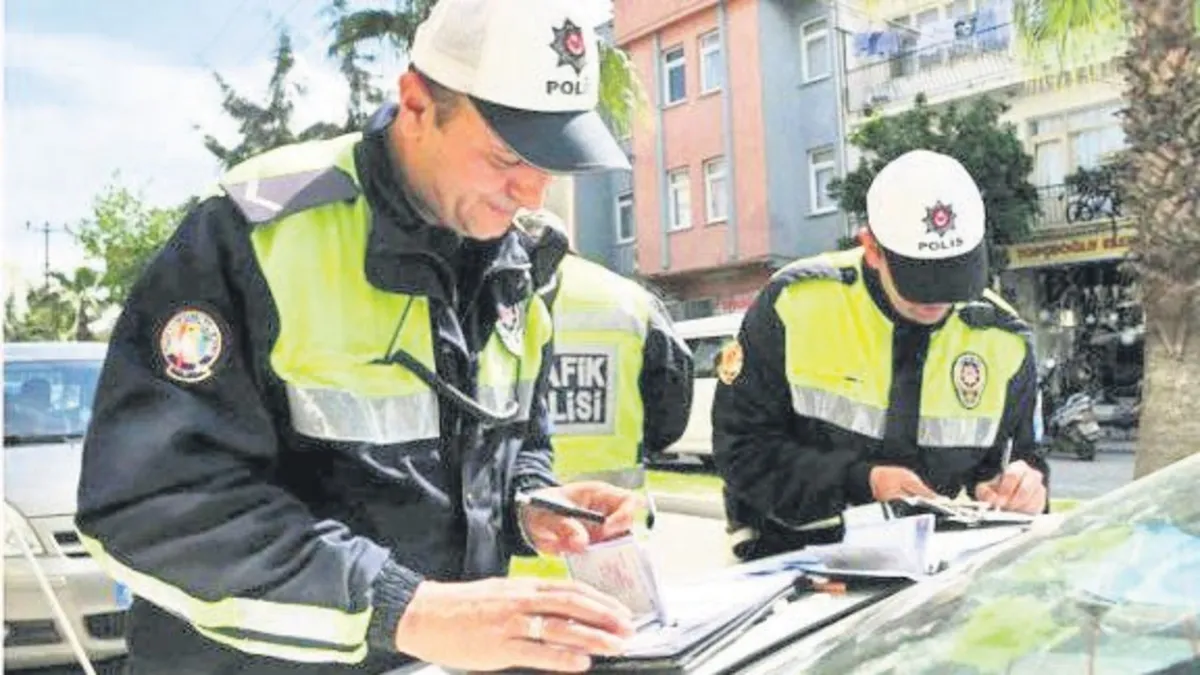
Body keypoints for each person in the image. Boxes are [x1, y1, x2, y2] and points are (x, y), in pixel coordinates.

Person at [73, 1, 647, 673]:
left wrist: (531, 502)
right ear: (416, 104)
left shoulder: (516, 259)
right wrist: (406, 609)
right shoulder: (257, 232)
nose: (532, 192)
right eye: (506, 155)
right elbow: (154, 502)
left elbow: (515, 442)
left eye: (551, 162)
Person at [712, 149, 1050, 562]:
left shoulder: (1003, 339)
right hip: (791, 559)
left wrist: (1022, 485)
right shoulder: (795, 305)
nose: (938, 299)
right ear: (872, 248)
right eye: (920, 279)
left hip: (928, 568)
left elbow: (1020, 459)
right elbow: (741, 450)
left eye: (954, 274)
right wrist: (860, 481)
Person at [515, 209, 695, 492]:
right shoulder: (632, 299)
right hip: (612, 505)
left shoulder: (492, 293)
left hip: (521, 500)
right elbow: (672, 402)